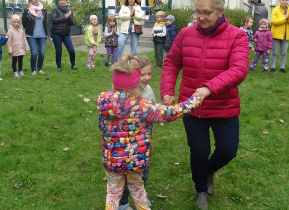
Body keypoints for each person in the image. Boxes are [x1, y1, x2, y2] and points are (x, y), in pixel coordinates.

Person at [160, 0, 249, 209]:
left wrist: (209, 88)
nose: (200, 18)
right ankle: (200, 188)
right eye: (197, 12)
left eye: (206, 13)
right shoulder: (185, 34)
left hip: (224, 105)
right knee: (199, 151)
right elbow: (172, 62)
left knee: (228, 150)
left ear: (220, 11)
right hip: (192, 106)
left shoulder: (237, 35)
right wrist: (167, 91)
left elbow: (238, 70)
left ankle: (207, 171)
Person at [97, 54, 201, 210]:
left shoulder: (104, 103)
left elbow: (101, 127)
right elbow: (171, 113)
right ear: (135, 81)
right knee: (138, 190)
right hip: (135, 160)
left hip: (112, 160)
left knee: (112, 193)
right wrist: (195, 100)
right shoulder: (143, 106)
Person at [118, 55, 155, 210]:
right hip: (125, 143)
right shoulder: (123, 94)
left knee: (143, 173)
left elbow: (154, 110)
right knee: (127, 175)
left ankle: (140, 196)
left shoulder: (148, 90)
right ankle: (123, 203)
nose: (147, 78)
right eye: (142, 74)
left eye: (149, 74)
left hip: (143, 142)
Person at [270, 0, 289, 73]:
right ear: (279, 1)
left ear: (288, 1)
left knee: (284, 52)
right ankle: (272, 67)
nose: (284, 2)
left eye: (286, 0)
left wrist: (288, 18)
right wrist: (285, 18)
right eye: (282, 0)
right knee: (274, 52)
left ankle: (282, 67)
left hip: (286, 34)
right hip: (276, 34)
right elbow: (273, 21)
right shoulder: (275, 9)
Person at [22, 0, 47, 75]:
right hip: (31, 35)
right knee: (34, 52)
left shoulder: (44, 9)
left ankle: (39, 68)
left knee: (42, 52)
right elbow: (24, 23)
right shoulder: (27, 10)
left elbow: (46, 21)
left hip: (42, 35)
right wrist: (29, 29)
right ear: (30, 0)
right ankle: (33, 70)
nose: (35, 0)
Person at [51, 0, 78, 71]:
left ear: (66, 1)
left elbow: (72, 23)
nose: (62, 2)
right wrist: (65, 17)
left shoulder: (69, 10)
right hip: (57, 33)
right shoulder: (55, 10)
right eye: (61, 0)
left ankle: (73, 65)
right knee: (59, 51)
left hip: (66, 34)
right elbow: (54, 20)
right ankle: (59, 67)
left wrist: (69, 17)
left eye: (64, 0)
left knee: (71, 50)